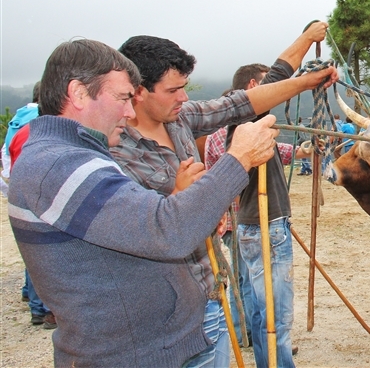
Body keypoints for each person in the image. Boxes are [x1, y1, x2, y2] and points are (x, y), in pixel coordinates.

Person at [8, 39, 280, 367]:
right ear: (79, 93)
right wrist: (239, 158)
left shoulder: (68, 156)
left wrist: (195, 205)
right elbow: (167, 231)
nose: (128, 110)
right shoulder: (61, 165)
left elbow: (145, 225)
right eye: (123, 98)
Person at [110, 24, 333, 368]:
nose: (184, 97)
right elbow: (152, 228)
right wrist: (187, 197)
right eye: (174, 90)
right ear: (137, 91)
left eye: (184, 88)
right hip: (164, 312)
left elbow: (240, 103)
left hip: (209, 289)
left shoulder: (180, 119)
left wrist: (307, 82)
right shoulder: (116, 151)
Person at [225, 39, 331, 368]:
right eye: (269, 86)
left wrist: (309, 147)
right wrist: (310, 44)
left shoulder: (251, 130)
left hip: (257, 225)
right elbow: (277, 82)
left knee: (262, 311)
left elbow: (286, 152)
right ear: (254, 88)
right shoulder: (245, 120)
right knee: (277, 320)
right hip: (265, 226)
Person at [1, 82, 55, 329]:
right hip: (40, 194)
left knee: (31, 250)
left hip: (19, 192)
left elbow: (8, 161)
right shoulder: (40, 130)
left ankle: (31, 298)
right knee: (44, 252)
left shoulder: (19, 125)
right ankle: (42, 309)